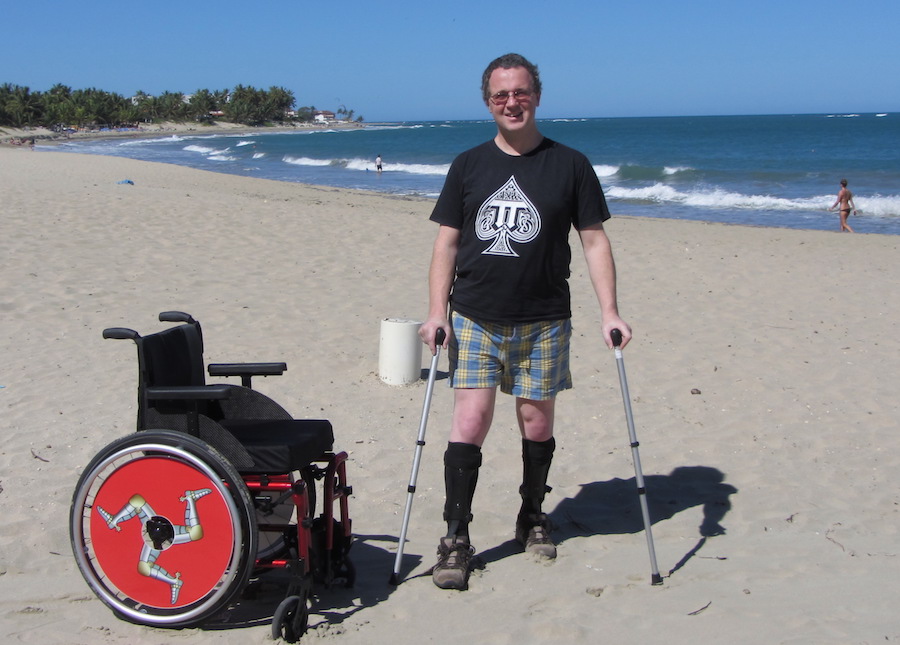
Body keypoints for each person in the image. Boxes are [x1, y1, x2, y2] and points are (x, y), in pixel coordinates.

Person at [418, 53, 631, 591]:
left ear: (537, 95)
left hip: (544, 320)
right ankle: (456, 536)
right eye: (500, 95)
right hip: (474, 316)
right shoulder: (468, 165)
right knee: (470, 420)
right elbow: (446, 242)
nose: (511, 102)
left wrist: (610, 311)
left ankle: (532, 514)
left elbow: (593, 240)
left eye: (520, 92)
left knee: (536, 422)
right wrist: (435, 311)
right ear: (488, 102)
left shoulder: (571, 165)